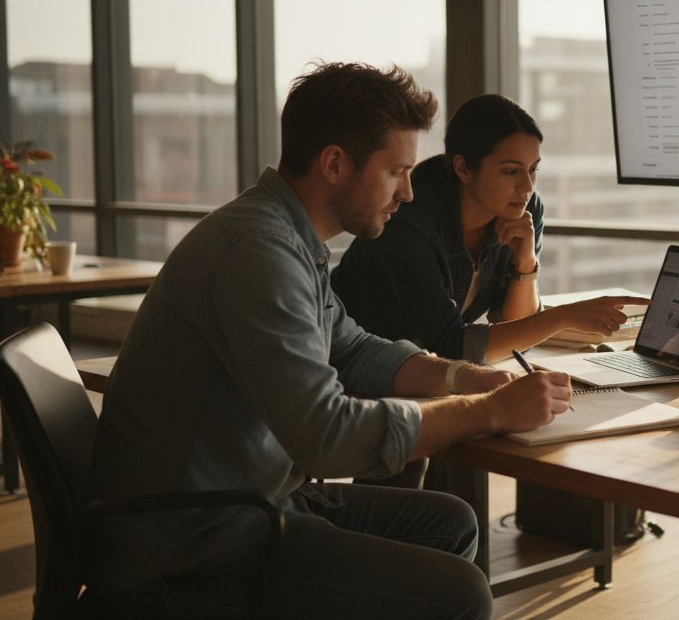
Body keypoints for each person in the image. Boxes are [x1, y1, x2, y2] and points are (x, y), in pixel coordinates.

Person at [88, 63, 572, 619]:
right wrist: (484, 410)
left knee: (450, 523)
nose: (409, 193)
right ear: (335, 164)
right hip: (189, 551)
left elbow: (354, 347)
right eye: (396, 172)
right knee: (459, 592)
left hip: (248, 503)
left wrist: (463, 377)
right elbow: (326, 435)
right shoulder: (258, 252)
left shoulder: (288, 237)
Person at [331, 93, 646, 366]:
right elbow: (453, 345)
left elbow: (517, 327)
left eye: (533, 169)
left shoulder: (526, 210)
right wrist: (562, 317)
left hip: (422, 373)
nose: (526, 186)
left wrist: (525, 264)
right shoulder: (409, 223)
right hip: (353, 372)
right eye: (511, 171)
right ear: (463, 168)